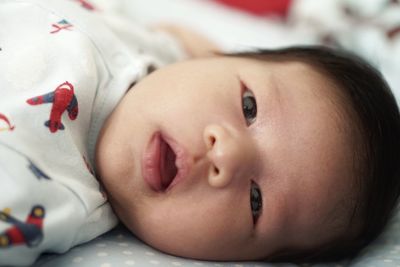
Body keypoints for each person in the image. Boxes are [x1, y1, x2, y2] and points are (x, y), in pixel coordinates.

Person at [1, 0, 400, 266]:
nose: (226, 155)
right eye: (249, 107)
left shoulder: (45, 196)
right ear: (219, 58)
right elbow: (184, 36)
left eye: (256, 202)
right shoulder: (161, 52)